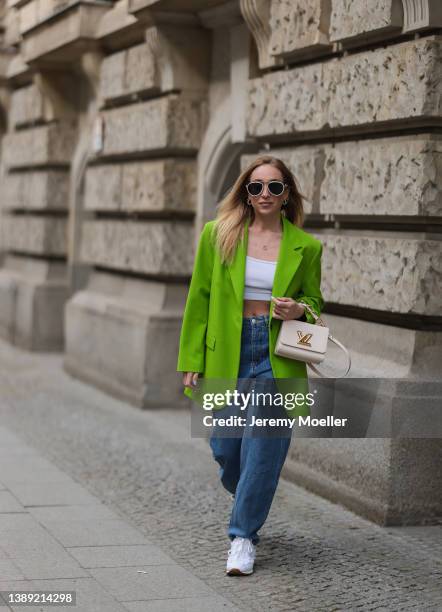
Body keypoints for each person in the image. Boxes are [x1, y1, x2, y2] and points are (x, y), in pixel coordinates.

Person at [177, 155, 324, 575]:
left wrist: (298, 308)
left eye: (274, 187)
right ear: (245, 191)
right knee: (225, 446)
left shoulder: (306, 246)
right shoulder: (218, 235)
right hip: (230, 348)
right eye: (255, 186)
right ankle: (246, 493)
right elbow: (199, 298)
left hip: (277, 352)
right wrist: (191, 358)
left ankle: (242, 536)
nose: (264, 194)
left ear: (286, 194)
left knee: (263, 448)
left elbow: (316, 304)